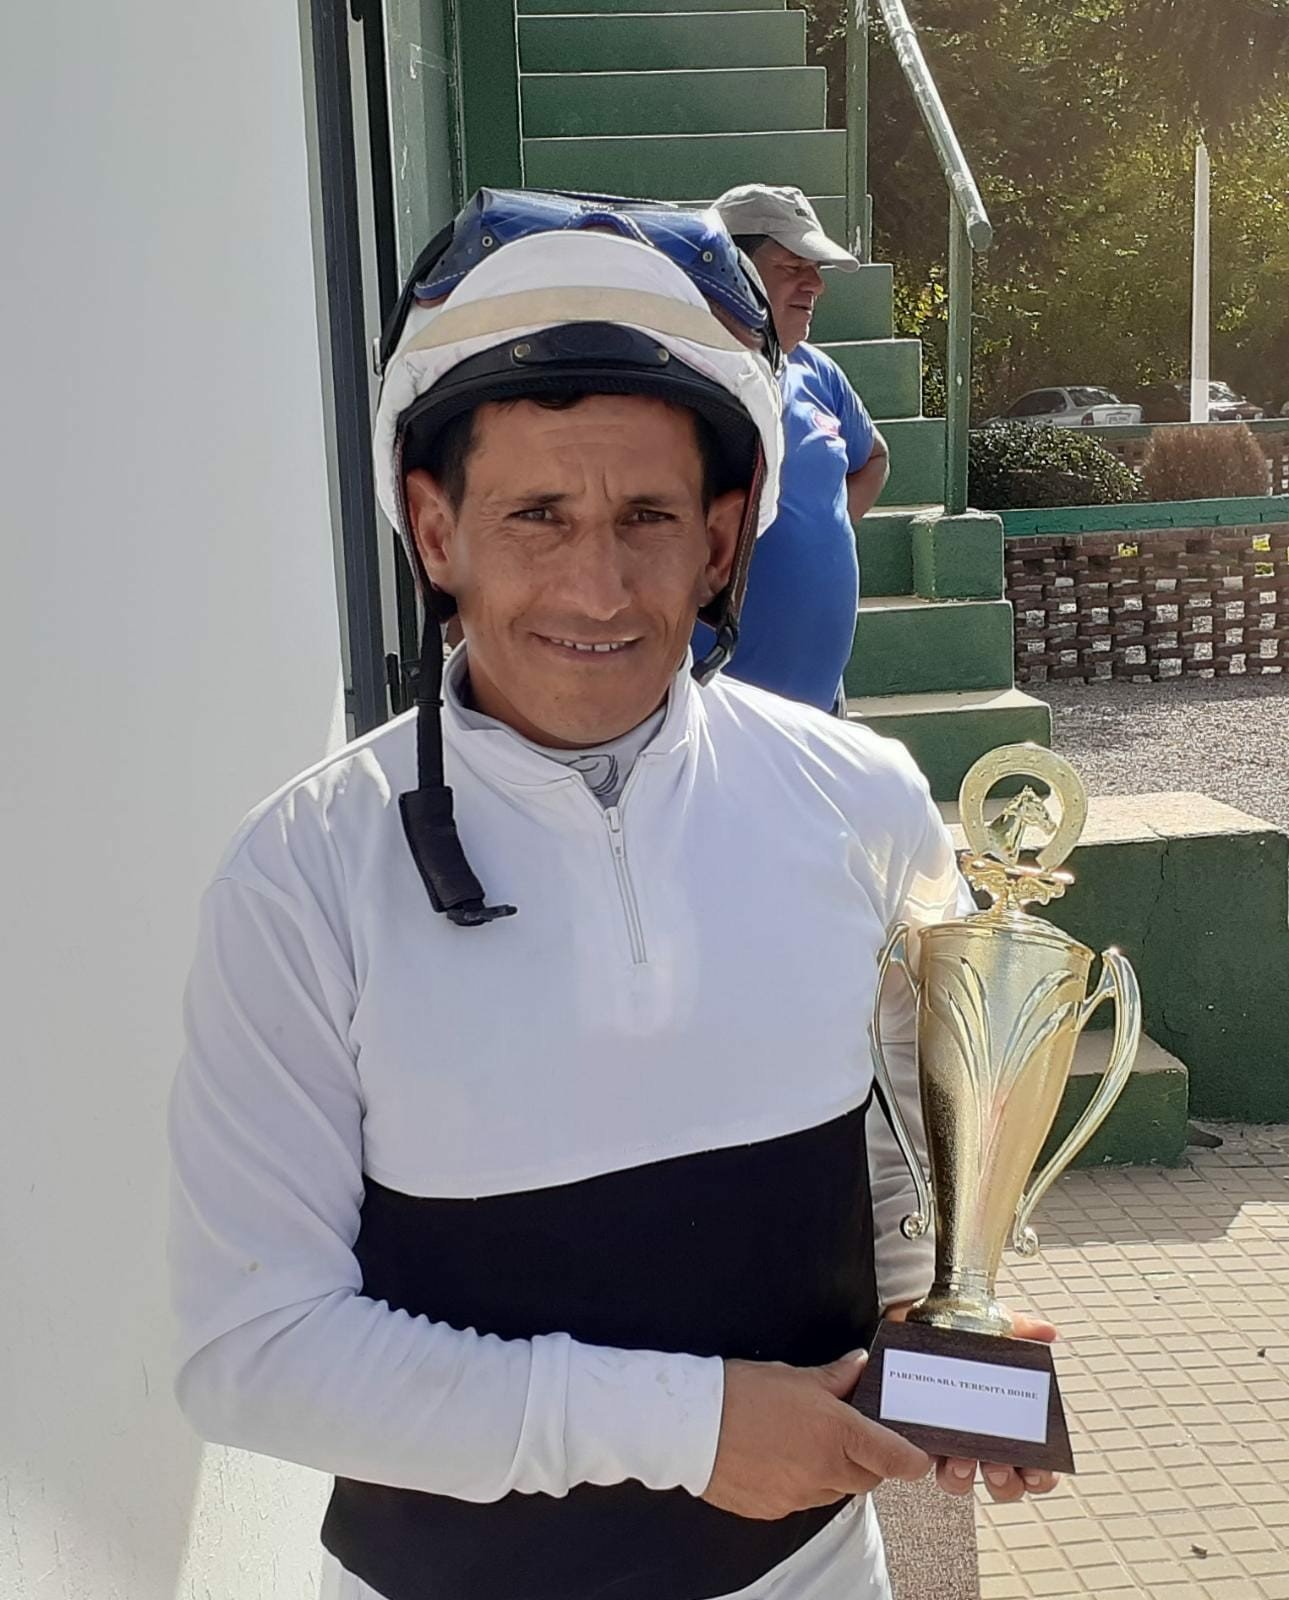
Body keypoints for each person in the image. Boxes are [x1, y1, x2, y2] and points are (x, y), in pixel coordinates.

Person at [168, 193, 1056, 1600]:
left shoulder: (863, 798)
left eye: (648, 516)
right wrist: (689, 1429)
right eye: (536, 514)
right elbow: (251, 1352)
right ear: (434, 530)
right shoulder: (300, 873)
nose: (597, 584)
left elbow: (902, 1157)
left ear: (721, 539)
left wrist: (942, 1338)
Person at [693, 183, 890, 713]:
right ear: (731, 270)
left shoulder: (817, 371)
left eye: (816, 268)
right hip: (714, 720)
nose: (816, 285)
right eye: (793, 267)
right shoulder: (680, 381)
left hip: (823, 710)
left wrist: (821, 533)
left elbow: (873, 458)